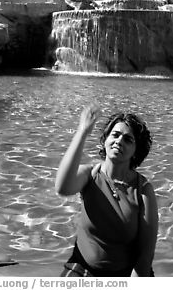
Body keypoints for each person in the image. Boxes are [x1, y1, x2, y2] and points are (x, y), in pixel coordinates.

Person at [55, 104, 158, 277]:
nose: (119, 141)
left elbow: (145, 256)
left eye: (128, 139)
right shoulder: (90, 175)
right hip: (82, 268)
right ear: (105, 140)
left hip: (125, 274)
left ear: (136, 151)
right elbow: (63, 187)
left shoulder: (143, 191)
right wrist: (82, 132)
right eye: (115, 135)